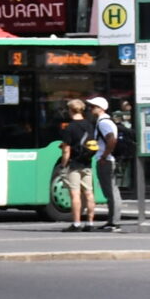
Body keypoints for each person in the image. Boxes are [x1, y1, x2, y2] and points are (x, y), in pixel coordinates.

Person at [55, 97, 98, 233]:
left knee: (75, 195)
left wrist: (63, 165)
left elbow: (66, 150)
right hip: (87, 163)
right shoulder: (89, 125)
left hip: (74, 165)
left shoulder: (70, 127)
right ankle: (90, 223)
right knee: (89, 194)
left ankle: (76, 224)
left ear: (70, 110)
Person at [88, 95, 124, 232]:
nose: (91, 109)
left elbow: (111, 140)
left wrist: (104, 156)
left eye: (93, 107)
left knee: (111, 192)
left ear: (101, 108)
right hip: (107, 159)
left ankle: (114, 222)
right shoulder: (104, 121)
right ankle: (112, 221)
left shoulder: (104, 123)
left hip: (106, 161)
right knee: (111, 191)